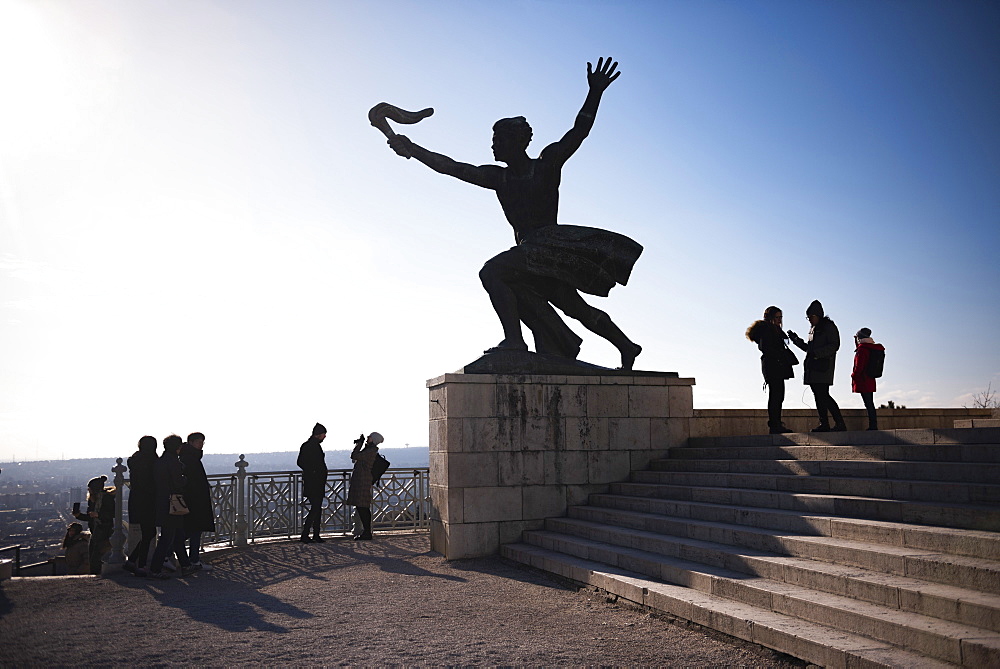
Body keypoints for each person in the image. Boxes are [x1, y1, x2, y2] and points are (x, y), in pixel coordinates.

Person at [386, 57, 643, 369]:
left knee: (492, 272)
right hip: (530, 254)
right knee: (573, 305)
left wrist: (595, 92)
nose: (493, 146)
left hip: (548, 246)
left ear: (515, 142)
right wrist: (413, 148)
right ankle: (626, 345)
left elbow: (579, 131)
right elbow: (451, 167)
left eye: (498, 140)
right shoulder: (499, 178)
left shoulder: (546, 165)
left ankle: (515, 340)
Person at [788, 300, 846, 432]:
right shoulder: (813, 329)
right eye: (807, 318)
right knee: (819, 396)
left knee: (823, 396)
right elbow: (809, 349)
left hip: (823, 368)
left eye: (811, 317)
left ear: (818, 315)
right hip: (813, 368)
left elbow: (834, 345)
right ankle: (825, 423)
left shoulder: (829, 327)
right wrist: (796, 340)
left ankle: (838, 423)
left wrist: (817, 354)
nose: (809, 320)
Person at [148, 434, 197, 579]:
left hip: (163, 502)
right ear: (178, 447)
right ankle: (155, 569)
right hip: (173, 503)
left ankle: (185, 565)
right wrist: (185, 478)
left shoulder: (160, 461)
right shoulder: (174, 462)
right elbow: (178, 482)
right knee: (169, 537)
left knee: (176, 535)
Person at [746, 306, 795, 434]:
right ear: (771, 318)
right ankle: (775, 424)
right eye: (777, 317)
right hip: (773, 366)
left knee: (778, 395)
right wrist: (779, 355)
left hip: (775, 366)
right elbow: (765, 347)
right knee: (776, 395)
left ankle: (776, 423)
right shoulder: (767, 330)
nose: (779, 320)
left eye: (781, 317)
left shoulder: (773, 330)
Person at [179, 432, 215, 569]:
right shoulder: (190, 458)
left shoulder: (188, 457)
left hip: (193, 499)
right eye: (199, 442)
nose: (201, 445)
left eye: (202, 442)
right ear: (192, 443)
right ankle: (193, 559)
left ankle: (189, 558)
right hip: (194, 500)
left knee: (192, 529)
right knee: (193, 529)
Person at [123, 435, 158, 577]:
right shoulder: (151, 460)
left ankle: (133, 562)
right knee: (150, 532)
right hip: (148, 500)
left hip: (137, 500)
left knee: (147, 532)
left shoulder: (135, 460)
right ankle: (140, 565)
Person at [71, 475, 116, 575]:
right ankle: (95, 574)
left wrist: (98, 515)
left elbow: (112, 514)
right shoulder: (93, 500)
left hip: (104, 530)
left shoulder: (107, 498)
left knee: (96, 555)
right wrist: (78, 515)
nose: (88, 490)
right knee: (92, 554)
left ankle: (97, 575)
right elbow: (90, 517)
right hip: (95, 530)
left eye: (90, 488)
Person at [348, 432, 383, 541]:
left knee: (363, 506)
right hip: (362, 480)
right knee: (361, 506)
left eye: (370, 437)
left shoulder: (371, 451)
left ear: (374, 439)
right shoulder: (369, 449)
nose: (368, 438)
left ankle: (367, 532)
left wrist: (359, 444)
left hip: (363, 480)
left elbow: (354, 456)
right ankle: (366, 531)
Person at [297, 423, 328, 544]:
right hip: (314, 482)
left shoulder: (308, 445)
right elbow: (302, 462)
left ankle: (314, 534)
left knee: (317, 508)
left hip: (314, 482)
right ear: (318, 435)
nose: (324, 437)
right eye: (323, 434)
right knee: (316, 508)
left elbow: (301, 462)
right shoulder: (312, 446)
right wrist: (314, 471)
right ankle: (307, 534)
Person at [852, 328, 886, 430]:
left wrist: (854, 375)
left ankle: (873, 426)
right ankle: (873, 425)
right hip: (870, 379)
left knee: (868, 403)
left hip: (863, 379)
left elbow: (859, 366)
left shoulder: (862, 350)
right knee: (870, 403)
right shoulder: (871, 348)